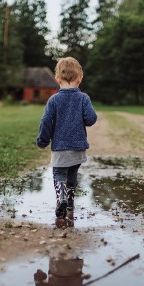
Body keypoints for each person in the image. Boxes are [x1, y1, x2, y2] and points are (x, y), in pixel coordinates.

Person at [37, 57, 97, 223]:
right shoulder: (84, 98)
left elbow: (46, 122)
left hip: (60, 148)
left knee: (59, 173)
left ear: (57, 79)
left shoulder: (54, 100)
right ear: (80, 79)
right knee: (72, 173)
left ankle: (61, 198)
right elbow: (91, 119)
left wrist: (43, 141)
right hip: (78, 147)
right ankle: (70, 201)